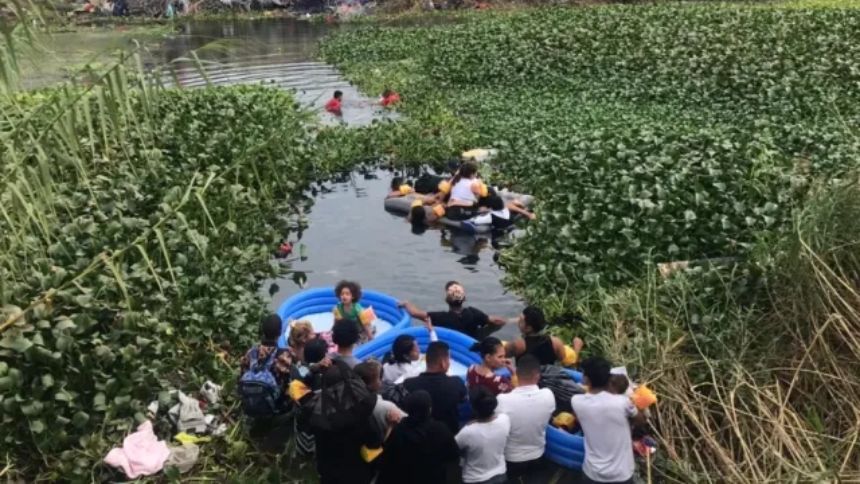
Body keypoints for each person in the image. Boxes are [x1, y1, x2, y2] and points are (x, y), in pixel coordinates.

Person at [571, 356, 646, 484]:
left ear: (586, 379)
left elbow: (579, 419)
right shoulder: (622, 403)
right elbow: (641, 420)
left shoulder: (576, 401)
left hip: (593, 474)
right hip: (622, 474)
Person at [377, 390, 460, 484]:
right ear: (429, 409)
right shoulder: (440, 429)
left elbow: (386, 457)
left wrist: (391, 426)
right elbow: (453, 455)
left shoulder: (399, 431)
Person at [496, 354, 556, 481]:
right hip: (538, 454)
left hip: (512, 457)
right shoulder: (548, 395)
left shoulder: (502, 400)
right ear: (538, 375)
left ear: (517, 374)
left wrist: (513, 375)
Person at [399, 281, 507, 339]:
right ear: (464, 299)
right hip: (472, 343)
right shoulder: (474, 313)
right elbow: (499, 321)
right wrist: (488, 329)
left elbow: (414, 313)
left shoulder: (440, 317)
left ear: (446, 300)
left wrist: (406, 303)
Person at [403, 341, 467, 434]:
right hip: (448, 434)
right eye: (448, 360)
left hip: (417, 435)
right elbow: (464, 402)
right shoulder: (456, 383)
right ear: (443, 363)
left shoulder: (408, 384)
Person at [455, 386, 511, 484]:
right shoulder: (505, 420)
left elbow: (452, 447)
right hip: (500, 474)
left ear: (473, 407)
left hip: (475, 479)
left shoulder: (467, 431)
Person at [238, 314, 292, 414]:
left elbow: (241, 374)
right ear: (280, 332)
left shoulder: (251, 352)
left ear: (263, 331)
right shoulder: (283, 355)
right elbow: (287, 381)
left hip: (251, 402)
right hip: (275, 405)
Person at [506, 305, 583, 366]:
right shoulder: (556, 342)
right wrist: (577, 348)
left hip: (526, 381)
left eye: (521, 320)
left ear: (528, 328)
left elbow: (499, 356)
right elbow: (569, 361)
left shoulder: (517, 345)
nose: (518, 322)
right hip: (548, 379)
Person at [355, 360, 406, 441]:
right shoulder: (385, 406)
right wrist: (391, 425)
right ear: (370, 385)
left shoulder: (350, 402)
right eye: (379, 378)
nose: (381, 381)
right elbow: (406, 421)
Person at [464, 194, 535, 233]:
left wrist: (472, 217)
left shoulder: (490, 216)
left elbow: (475, 221)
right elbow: (510, 205)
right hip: (510, 219)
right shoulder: (506, 207)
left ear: (491, 207)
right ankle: (528, 212)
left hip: (503, 226)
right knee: (514, 204)